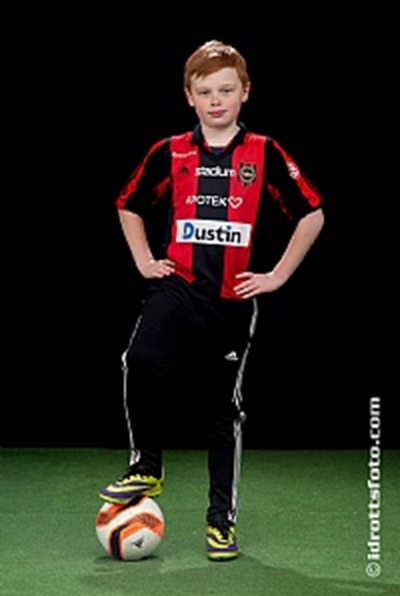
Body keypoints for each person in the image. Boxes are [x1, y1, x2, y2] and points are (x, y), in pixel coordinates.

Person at [100, 40, 324, 561]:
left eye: (226, 90)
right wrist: (144, 260)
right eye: (205, 92)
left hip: (230, 301)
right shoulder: (170, 150)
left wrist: (276, 276)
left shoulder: (265, 152)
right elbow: (128, 204)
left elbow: (312, 213)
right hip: (177, 288)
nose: (216, 100)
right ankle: (146, 465)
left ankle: (220, 521)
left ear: (245, 92)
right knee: (140, 358)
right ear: (189, 96)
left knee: (222, 412)